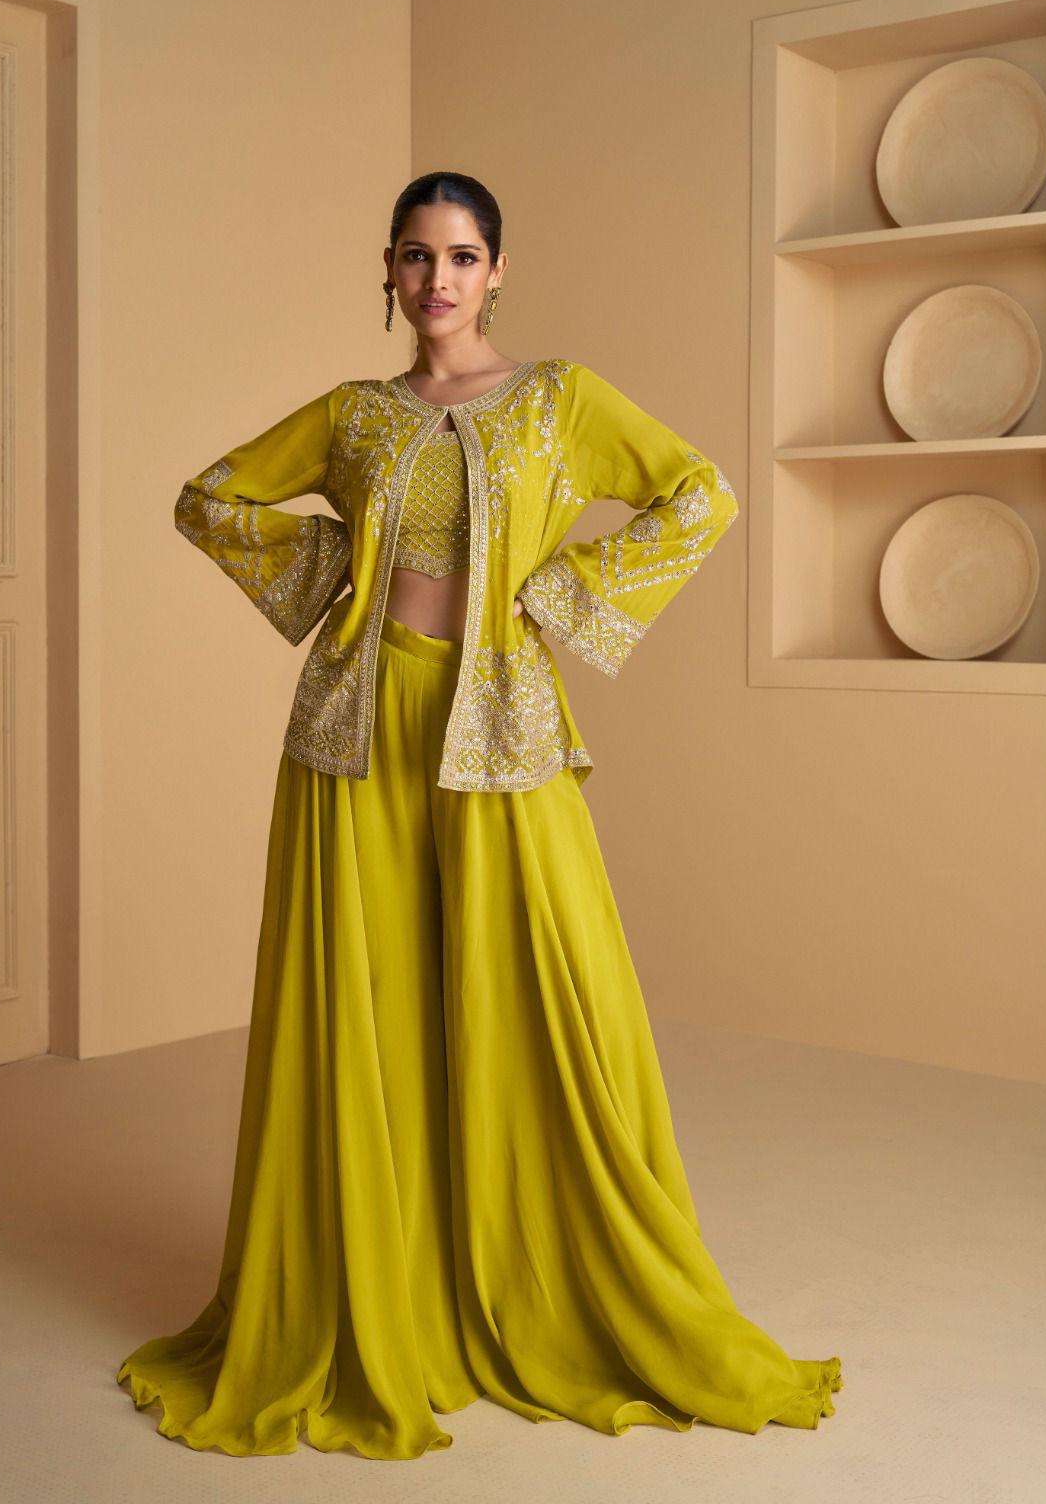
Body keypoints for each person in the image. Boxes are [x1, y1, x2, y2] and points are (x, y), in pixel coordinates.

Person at [116, 171, 842, 1460]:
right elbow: (209, 497)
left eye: (460, 257)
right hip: (357, 728)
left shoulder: (559, 399)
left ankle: (543, 1279)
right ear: (389, 271)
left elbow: (700, 493)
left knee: (540, 989)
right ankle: (378, 1290)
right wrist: (338, 578)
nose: (437, 280)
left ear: (498, 269)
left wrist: (553, 598)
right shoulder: (354, 415)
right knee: (373, 1000)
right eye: (415, 256)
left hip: (499, 719)